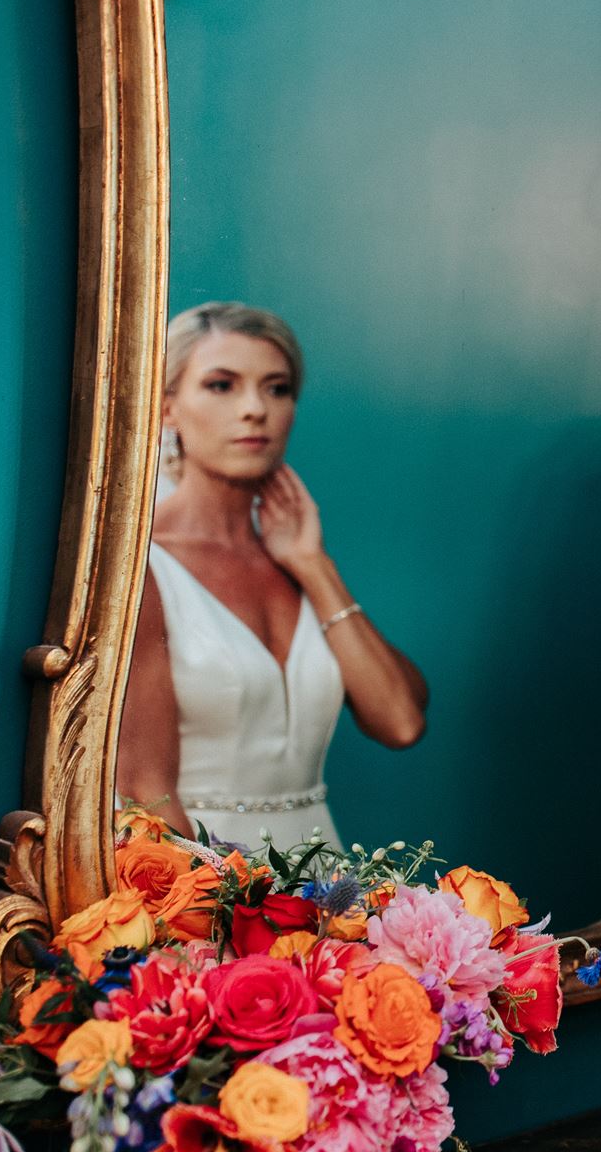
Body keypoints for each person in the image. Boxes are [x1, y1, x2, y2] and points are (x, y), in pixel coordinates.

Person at [117, 301, 429, 852]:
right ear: (167, 408)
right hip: (200, 893)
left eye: (277, 388)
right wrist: (222, 925)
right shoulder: (145, 569)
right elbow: (147, 792)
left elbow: (401, 722)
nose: (255, 409)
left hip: (327, 891)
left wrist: (314, 565)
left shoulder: (295, 562)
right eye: (221, 385)